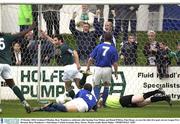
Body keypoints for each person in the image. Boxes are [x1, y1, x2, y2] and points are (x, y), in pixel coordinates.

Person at [40, 30, 91, 99]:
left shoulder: (64, 47)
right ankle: (84, 76)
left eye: (56, 40)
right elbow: (52, 41)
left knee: (67, 87)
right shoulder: (60, 46)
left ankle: (74, 100)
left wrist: (78, 64)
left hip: (69, 68)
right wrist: (45, 35)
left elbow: (75, 53)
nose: (54, 42)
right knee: (79, 86)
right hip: (73, 67)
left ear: (60, 41)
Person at [0, 24, 35, 113]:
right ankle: (24, 102)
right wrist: (30, 28)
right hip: (7, 65)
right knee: (13, 85)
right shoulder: (7, 37)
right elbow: (20, 34)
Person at [86, 32, 119, 107]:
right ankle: (103, 103)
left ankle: (98, 100)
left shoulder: (98, 46)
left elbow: (90, 59)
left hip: (98, 68)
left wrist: (88, 67)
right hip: (107, 68)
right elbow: (115, 63)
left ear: (103, 38)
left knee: (96, 85)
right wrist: (116, 73)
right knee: (106, 86)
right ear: (111, 40)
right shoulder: (113, 49)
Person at [31, 83, 97, 112]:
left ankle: (43, 108)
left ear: (84, 88)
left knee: (61, 109)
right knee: (64, 110)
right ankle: (52, 105)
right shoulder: (93, 97)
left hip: (78, 100)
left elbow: (75, 98)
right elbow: (95, 108)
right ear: (90, 90)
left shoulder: (82, 91)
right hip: (83, 106)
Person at [98, 88, 172, 108]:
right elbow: (100, 106)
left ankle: (157, 91)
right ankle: (165, 98)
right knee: (146, 102)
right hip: (124, 105)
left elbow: (100, 102)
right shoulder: (101, 101)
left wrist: (98, 105)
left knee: (141, 99)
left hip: (122, 100)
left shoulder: (103, 96)